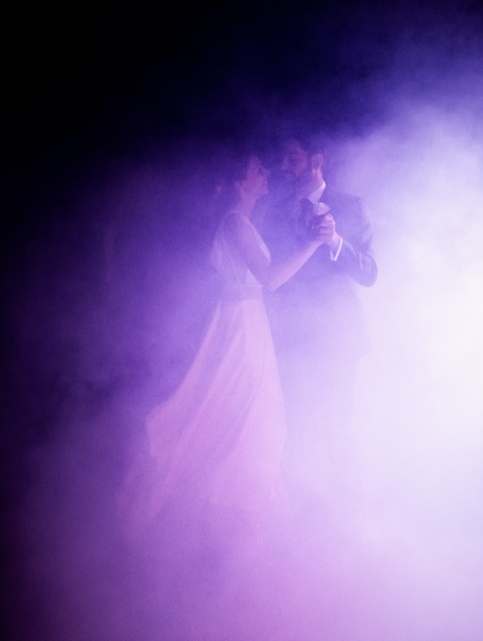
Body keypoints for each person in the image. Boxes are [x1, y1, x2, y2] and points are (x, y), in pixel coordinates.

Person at [118, 154, 325, 540]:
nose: (264, 172)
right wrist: (314, 244)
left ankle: (234, 522)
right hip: (241, 326)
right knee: (246, 414)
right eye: (256, 169)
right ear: (238, 182)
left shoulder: (240, 222)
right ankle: (226, 521)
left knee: (243, 414)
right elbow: (271, 279)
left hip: (245, 321)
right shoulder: (234, 221)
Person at [260, 136, 377, 496]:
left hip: (337, 338)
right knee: (289, 427)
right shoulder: (273, 210)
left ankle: (350, 513)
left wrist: (335, 243)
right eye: (281, 159)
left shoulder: (351, 206)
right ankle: (297, 513)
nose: (283, 166)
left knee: (337, 426)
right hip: (289, 336)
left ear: (316, 160)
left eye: (292, 158)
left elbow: (370, 273)